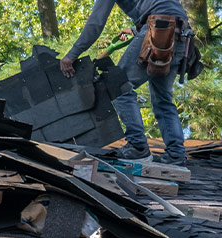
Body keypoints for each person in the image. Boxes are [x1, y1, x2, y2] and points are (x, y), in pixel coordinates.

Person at [60, 0, 189, 166]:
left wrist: (72, 55)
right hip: (181, 35)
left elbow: (96, 23)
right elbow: (165, 7)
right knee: (163, 99)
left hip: (158, 29)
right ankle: (176, 154)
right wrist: (137, 29)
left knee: (118, 85)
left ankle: (137, 147)